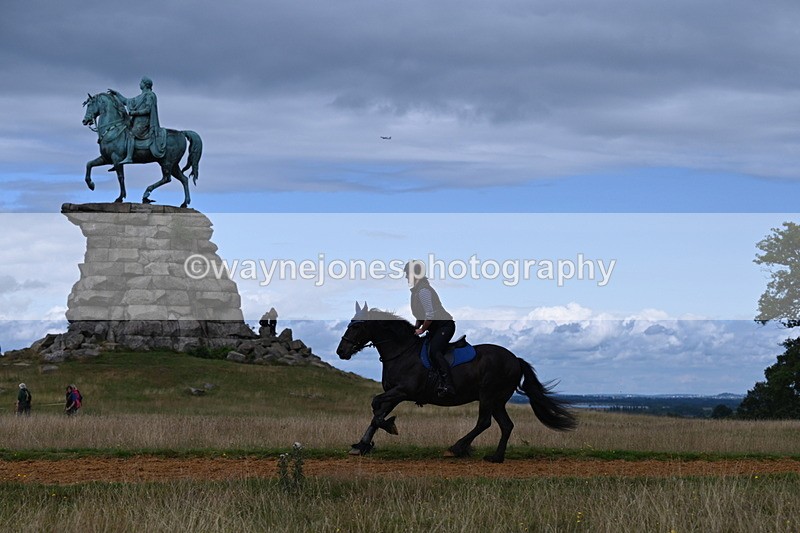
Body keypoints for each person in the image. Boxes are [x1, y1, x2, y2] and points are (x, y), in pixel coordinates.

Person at [404, 260, 456, 397]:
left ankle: (448, 385)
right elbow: (421, 316)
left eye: (407, 274)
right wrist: (415, 328)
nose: (405, 277)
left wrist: (421, 330)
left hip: (445, 326)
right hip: (435, 328)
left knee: (434, 351)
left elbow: (430, 315)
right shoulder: (416, 292)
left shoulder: (424, 291)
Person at [107, 76, 167, 167]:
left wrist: (135, 112)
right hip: (136, 122)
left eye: (141, 82)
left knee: (131, 134)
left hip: (144, 123)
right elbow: (127, 101)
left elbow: (148, 109)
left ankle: (129, 157)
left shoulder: (150, 95)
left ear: (145, 84)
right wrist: (117, 94)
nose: (140, 84)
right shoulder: (140, 96)